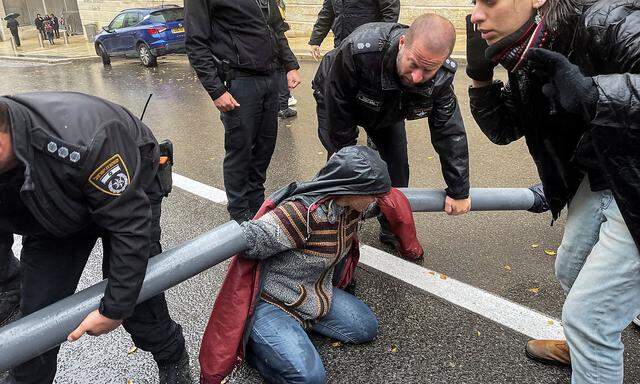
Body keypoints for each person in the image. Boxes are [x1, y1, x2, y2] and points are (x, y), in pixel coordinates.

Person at [466, 0, 640, 382]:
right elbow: (504, 129)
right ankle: (587, 345)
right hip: (605, 172)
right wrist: (480, 79)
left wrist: (595, 93)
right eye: (473, 2)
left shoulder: (607, 19)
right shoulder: (527, 49)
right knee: (571, 267)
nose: (477, 14)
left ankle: (591, 339)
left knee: (589, 316)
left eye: (489, 1)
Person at [0, 92, 191, 384]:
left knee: (135, 297)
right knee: (36, 317)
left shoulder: (87, 139)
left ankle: (171, 355)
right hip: (54, 207)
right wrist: (8, 286)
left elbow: (130, 228)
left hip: (128, 185)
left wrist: (115, 309)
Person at [198, 145, 424, 383]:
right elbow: (252, 238)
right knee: (310, 378)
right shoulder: (301, 214)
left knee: (366, 328)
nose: (376, 199)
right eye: (372, 193)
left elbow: (385, 203)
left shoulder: (353, 207)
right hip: (274, 302)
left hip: (314, 295)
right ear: (350, 189)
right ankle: (255, 345)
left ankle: (292, 334)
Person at [313, 14, 472, 246]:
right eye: (413, 63)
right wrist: (348, 171)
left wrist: (459, 191)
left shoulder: (441, 77)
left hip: (388, 105)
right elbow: (340, 125)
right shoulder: (357, 50)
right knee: (343, 165)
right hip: (338, 95)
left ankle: (390, 227)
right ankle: (339, 231)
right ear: (402, 44)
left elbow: (449, 132)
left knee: (396, 166)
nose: (418, 77)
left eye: (428, 70)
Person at [185, 0, 301, 223]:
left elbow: (275, 27)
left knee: (264, 148)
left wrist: (290, 65)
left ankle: (257, 207)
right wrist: (216, 90)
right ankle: (239, 214)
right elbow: (195, 42)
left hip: (269, 77)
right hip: (239, 80)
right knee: (240, 150)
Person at [308, 0, 400, 61]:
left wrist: (381, 40)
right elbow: (327, 13)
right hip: (341, 44)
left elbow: (390, 11)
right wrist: (316, 40)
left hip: (368, 45)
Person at [276, 0, 297, 119]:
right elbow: (276, 26)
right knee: (281, 74)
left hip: (274, 47)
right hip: (276, 48)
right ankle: (283, 107)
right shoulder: (273, 5)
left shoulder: (279, 5)